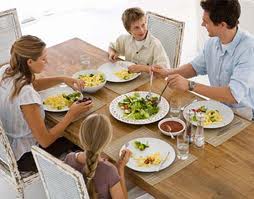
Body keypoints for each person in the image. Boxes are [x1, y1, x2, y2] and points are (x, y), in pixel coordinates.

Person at [0, 35, 92, 172]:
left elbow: (33, 84)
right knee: (84, 137)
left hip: (9, 147)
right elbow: (45, 140)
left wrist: (62, 79)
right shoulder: (27, 95)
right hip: (26, 156)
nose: (46, 62)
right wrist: (71, 114)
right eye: (43, 59)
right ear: (30, 62)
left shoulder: (5, 71)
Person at [152, 0, 254, 120]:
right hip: (217, 108)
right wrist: (168, 72)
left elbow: (232, 95)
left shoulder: (249, 49)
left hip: (243, 117)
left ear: (222, 25)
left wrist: (190, 85)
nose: (202, 24)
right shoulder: (212, 42)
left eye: (206, 22)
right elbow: (194, 67)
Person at [64, 114, 131, 199]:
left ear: (81, 136)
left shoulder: (69, 158)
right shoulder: (109, 170)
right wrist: (120, 168)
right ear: (108, 141)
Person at [108, 7, 170, 73]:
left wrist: (144, 68)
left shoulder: (155, 44)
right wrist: (112, 53)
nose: (141, 30)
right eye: (136, 28)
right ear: (129, 30)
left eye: (143, 25)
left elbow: (165, 70)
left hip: (148, 81)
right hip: (129, 79)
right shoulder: (124, 39)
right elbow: (111, 47)